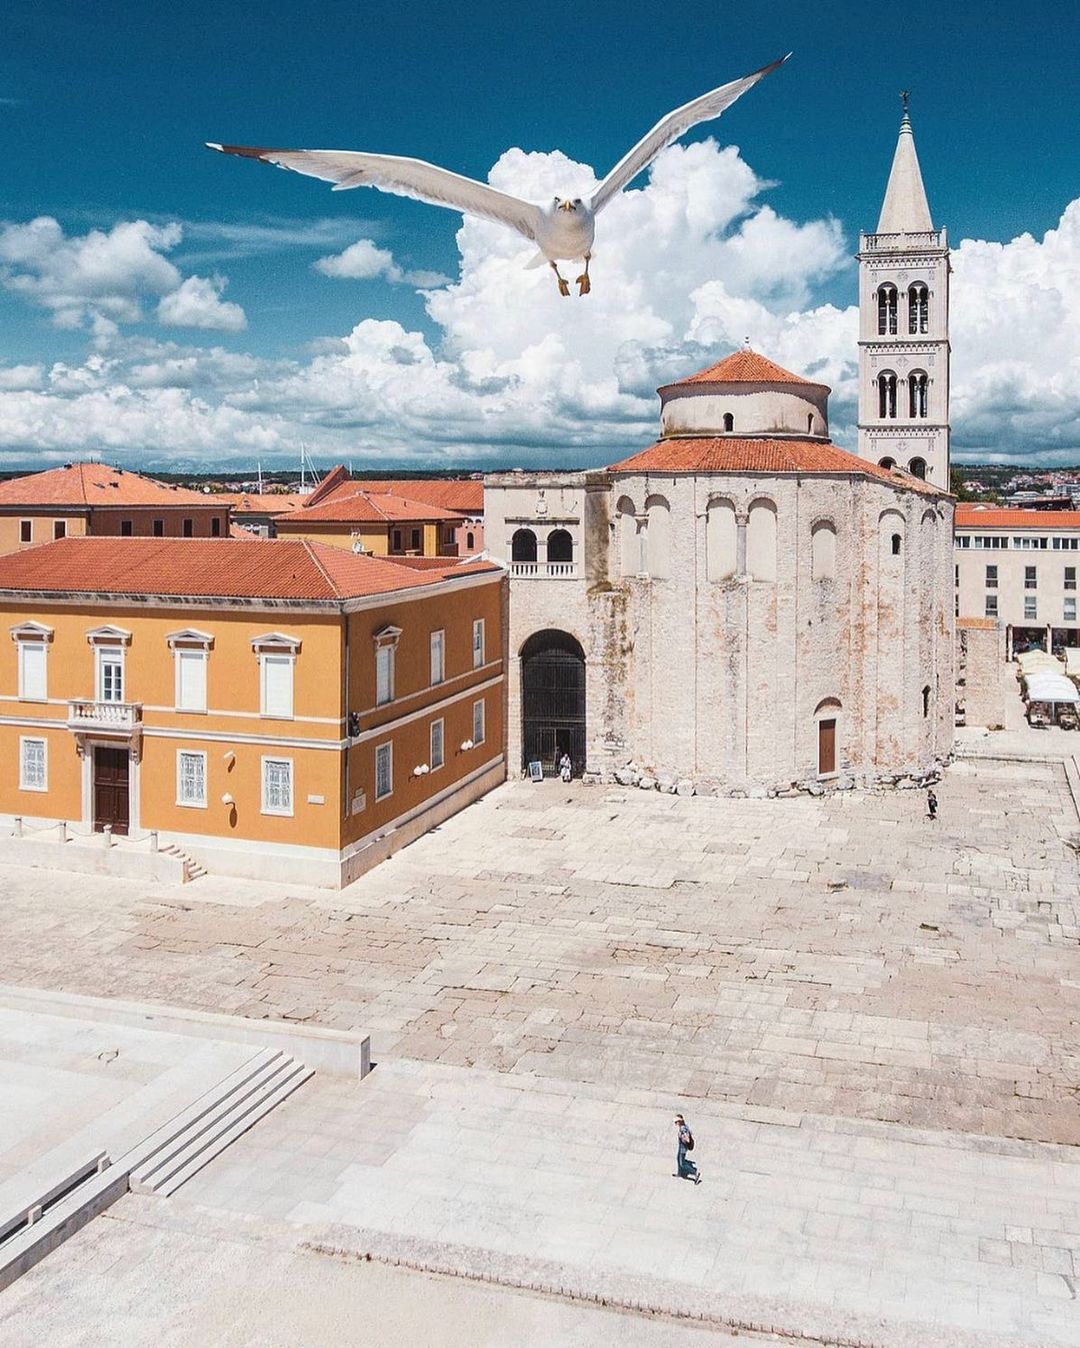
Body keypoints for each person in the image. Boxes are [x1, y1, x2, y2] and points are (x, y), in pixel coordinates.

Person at [673, 1114, 701, 1184]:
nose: (675, 1123)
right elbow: (690, 1132)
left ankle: (695, 1173)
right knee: (677, 1158)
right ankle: (679, 1173)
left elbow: (687, 1140)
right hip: (681, 1146)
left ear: (680, 1121)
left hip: (683, 1147)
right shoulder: (685, 1126)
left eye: (676, 1122)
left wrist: (682, 1136)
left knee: (682, 1163)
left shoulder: (683, 1128)